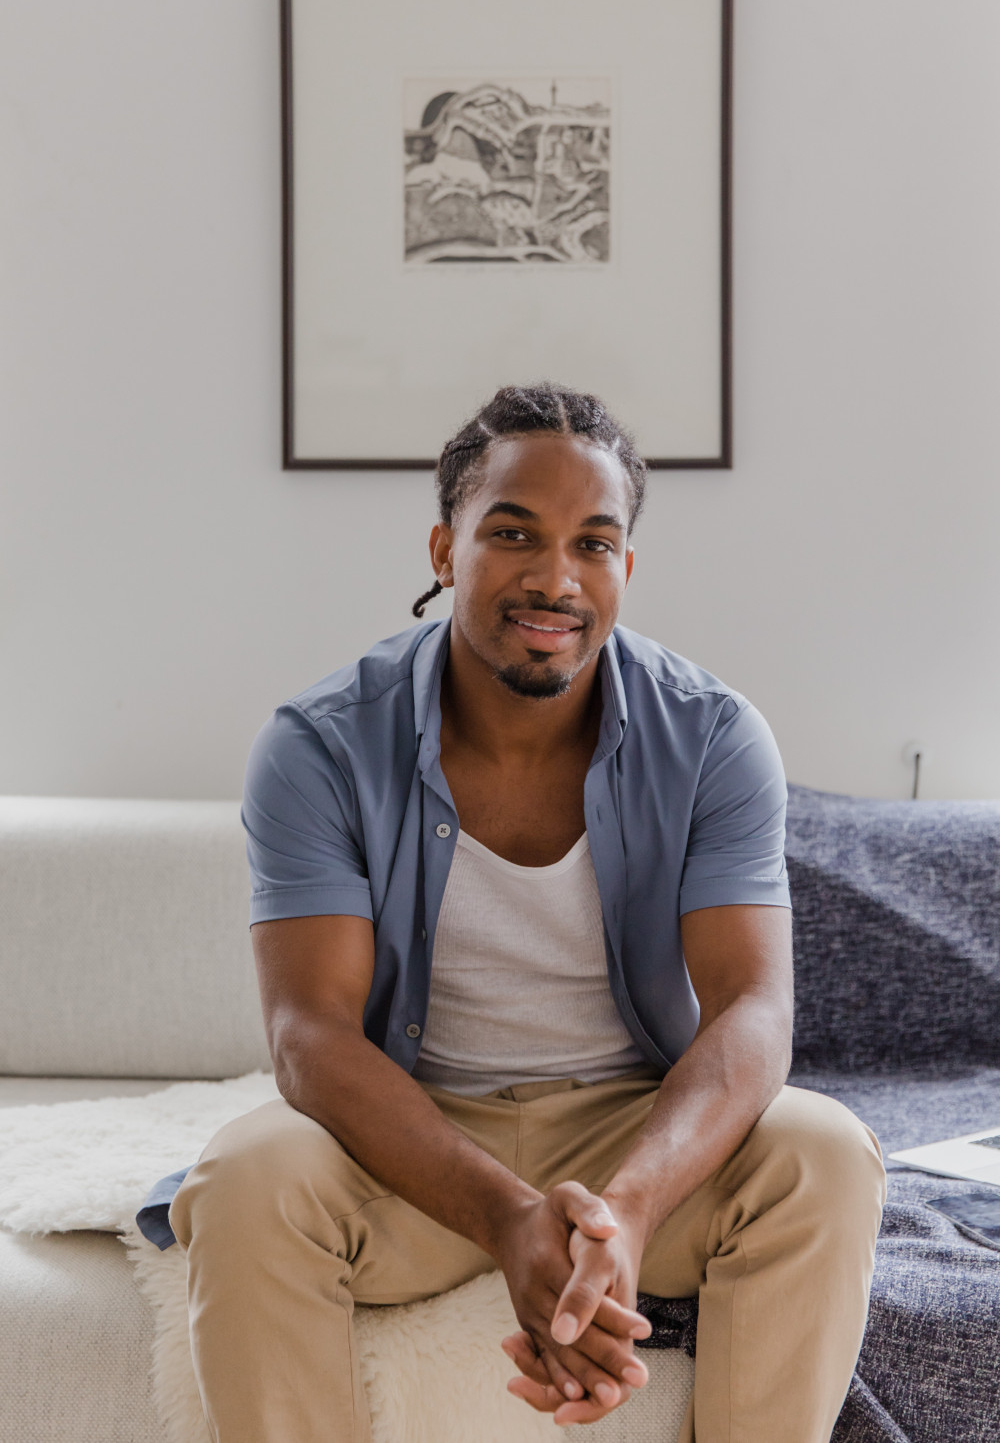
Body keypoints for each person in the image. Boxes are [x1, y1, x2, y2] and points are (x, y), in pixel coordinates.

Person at [160, 383, 886, 1443]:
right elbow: (308, 1034)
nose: (555, 578)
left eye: (593, 544)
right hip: (413, 1135)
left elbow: (752, 1013)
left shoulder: (716, 738)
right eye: (512, 533)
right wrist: (507, 1217)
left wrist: (628, 1211)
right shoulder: (319, 745)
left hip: (635, 1125)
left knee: (824, 1152)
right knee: (242, 1181)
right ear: (445, 549)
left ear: (624, 570)